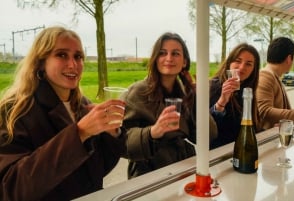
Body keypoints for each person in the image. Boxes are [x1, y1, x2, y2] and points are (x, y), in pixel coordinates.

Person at [0, 26, 127, 201]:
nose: (73, 64)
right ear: (41, 62)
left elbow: (97, 171)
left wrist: (112, 135)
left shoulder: (83, 105)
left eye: (78, 56)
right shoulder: (14, 110)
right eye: (61, 55)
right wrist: (79, 133)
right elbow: (12, 188)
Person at [120, 32, 217, 179]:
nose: (169, 58)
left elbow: (208, 136)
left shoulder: (186, 93)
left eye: (176, 53)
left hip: (183, 168)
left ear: (184, 61)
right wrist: (152, 132)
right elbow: (120, 142)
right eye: (163, 53)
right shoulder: (137, 92)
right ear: (155, 58)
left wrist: (198, 98)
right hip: (148, 174)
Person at [209, 43, 261, 149]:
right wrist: (222, 101)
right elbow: (207, 128)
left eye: (248, 64)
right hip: (219, 155)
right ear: (229, 62)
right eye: (238, 61)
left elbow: (250, 128)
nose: (241, 67)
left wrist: (272, 130)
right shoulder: (215, 86)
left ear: (253, 70)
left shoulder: (247, 90)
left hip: (241, 150)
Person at [256, 37, 294, 130]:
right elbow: (264, 111)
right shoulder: (265, 77)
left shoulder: (273, 76)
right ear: (289, 59)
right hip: (267, 141)